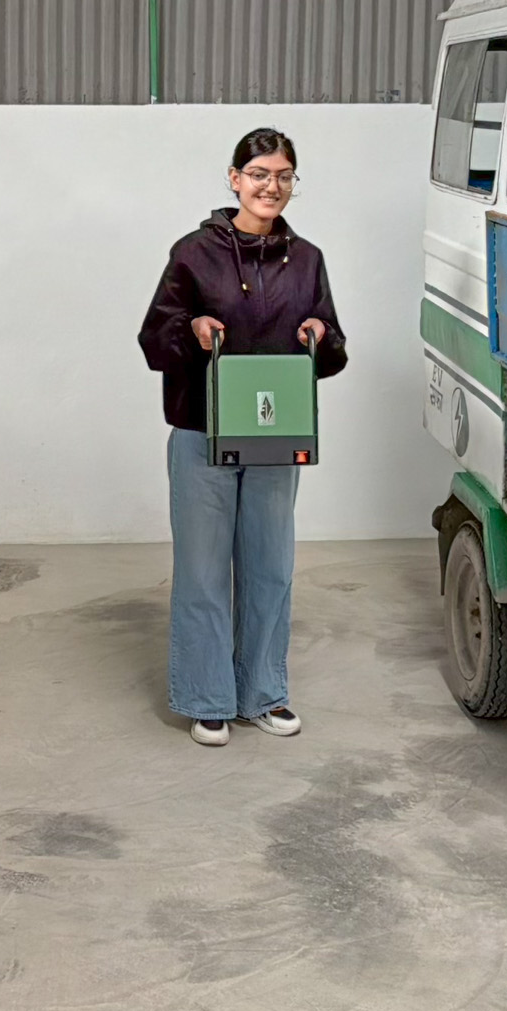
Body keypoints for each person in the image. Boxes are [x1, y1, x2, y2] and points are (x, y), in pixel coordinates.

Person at [137, 129, 348, 746]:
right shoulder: (192, 253)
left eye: (284, 176)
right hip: (202, 431)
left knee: (270, 568)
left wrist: (320, 335)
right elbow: (155, 340)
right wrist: (193, 326)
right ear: (234, 178)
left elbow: (333, 349)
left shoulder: (306, 259)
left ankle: (263, 692)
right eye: (259, 173)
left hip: (276, 435)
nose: (271, 186)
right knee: (203, 571)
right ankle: (207, 698)